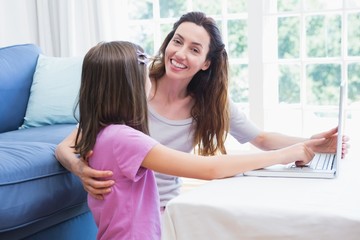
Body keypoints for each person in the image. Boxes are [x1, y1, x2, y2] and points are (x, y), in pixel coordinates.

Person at [56, 12, 348, 208]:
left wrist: (312, 143)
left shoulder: (209, 102)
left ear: (207, 62)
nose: (180, 54)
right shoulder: (134, 90)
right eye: (177, 41)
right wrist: (80, 169)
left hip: (169, 207)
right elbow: (65, 147)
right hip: (129, 209)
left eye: (195, 49)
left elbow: (260, 138)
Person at [75, 40, 320, 240]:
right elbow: (210, 168)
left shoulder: (102, 133)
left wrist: (306, 144)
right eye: (145, 76)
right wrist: (285, 154)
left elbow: (259, 138)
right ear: (130, 87)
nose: (150, 79)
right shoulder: (125, 139)